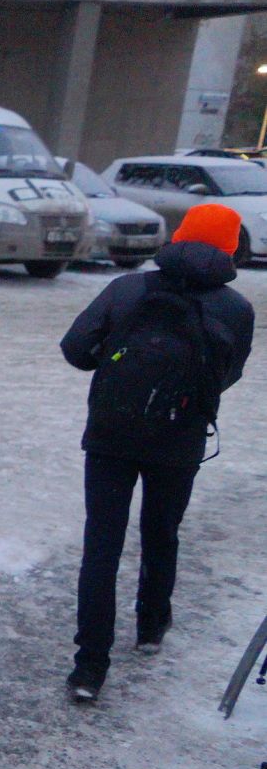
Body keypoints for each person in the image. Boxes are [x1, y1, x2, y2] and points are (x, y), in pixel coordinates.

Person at [59, 202, 254, 703]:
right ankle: (150, 625)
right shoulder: (236, 308)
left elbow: (75, 347)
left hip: (111, 432)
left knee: (101, 546)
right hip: (179, 437)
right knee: (161, 530)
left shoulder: (128, 289)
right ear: (230, 249)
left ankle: (89, 667)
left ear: (179, 235)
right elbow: (228, 375)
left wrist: (120, 366)